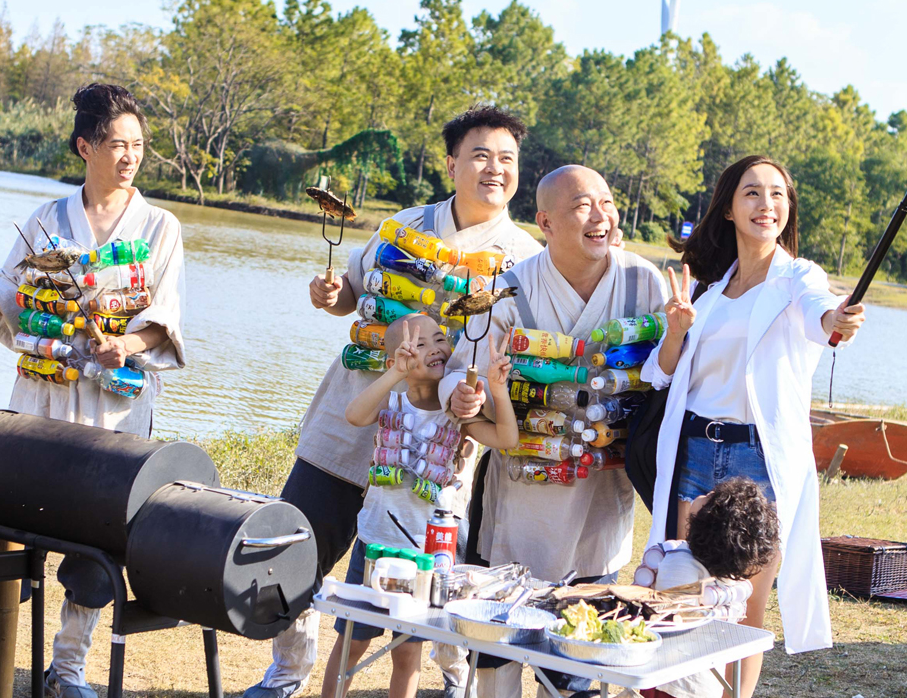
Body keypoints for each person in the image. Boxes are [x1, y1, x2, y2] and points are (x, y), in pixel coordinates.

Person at [243, 106, 544, 698]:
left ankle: (453, 675)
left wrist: (479, 398)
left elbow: (517, 362)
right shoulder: (400, 227)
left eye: (507, 159)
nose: (495, 169)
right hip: (350, 421)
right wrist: (331, 295)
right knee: (297, 552)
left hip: (431, 450)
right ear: (452, 162)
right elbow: (351, 294)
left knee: (434, 574)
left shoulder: (525, 260)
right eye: (481, 155)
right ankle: (286, 673)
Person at [0, 84, 186, 698]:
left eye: (137, 146)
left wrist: (125, 346)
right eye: (115, 144)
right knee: (4, 516)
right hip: (43, 392)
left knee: (100, 534)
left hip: (116, 404)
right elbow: (8, 281)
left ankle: (68, 667)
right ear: (85, 147)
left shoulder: (160, 225)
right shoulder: (47, 219)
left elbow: (165, 311)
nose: (129, 156)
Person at [641, 155, 867, 698]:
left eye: (777, 195)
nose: (767, 205)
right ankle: (678, 690)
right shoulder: (712, 293)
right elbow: (659, 373)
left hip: (757, 461)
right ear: (729, 208)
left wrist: (837, 321)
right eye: (752, 193)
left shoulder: (798, 277)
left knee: (744, 601)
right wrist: (676, 329)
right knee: (681, 588)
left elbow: (822, 315)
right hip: (698, 453)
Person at [440, 164, 668, 698]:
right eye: (582, 205)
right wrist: (462, 393)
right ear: (545, 221)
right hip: (520, 490)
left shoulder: (644, 281)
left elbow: (668, 375)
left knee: (584, 642)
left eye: (607, 202)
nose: (601, 216)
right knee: (502, 639)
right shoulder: (509, 286)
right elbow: (461, 365)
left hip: (600, 485)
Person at [321, 314, 518, 698]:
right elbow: (353, 415)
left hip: (425, 555)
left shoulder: (457, 414)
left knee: (407, 653)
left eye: (440, 339)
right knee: (351, 645)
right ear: (399, 355)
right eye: (420, 344)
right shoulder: (391, 398)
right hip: (375, 543)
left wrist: (498, 388)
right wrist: (395, 372)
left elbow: (507, 438)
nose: (435, 349)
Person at [639, 477, 780, 698]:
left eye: (709, 497)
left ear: (710, 523)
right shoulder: (724, 570)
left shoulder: (681, 563)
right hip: (704, 682)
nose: (703, 494)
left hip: (671, 683)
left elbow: (664, 616)